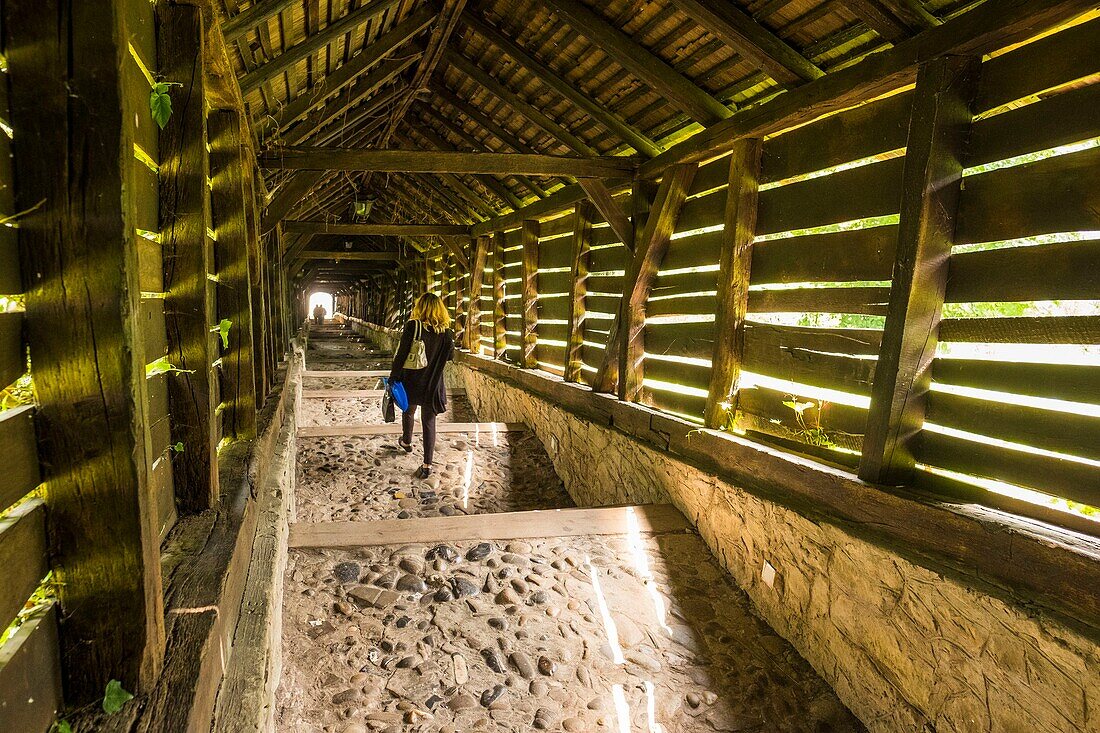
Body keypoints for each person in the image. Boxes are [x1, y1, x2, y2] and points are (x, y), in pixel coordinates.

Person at [389, 293, 454, 478]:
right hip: (434, 382)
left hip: (412, 379)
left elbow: (401, 353)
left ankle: (407, 442)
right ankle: (427, 465)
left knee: (408, 411)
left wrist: (394, 376)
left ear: (420, 307)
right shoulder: (447, 333)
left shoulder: (413, 326)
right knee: (429, 421)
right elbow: (450, 357)